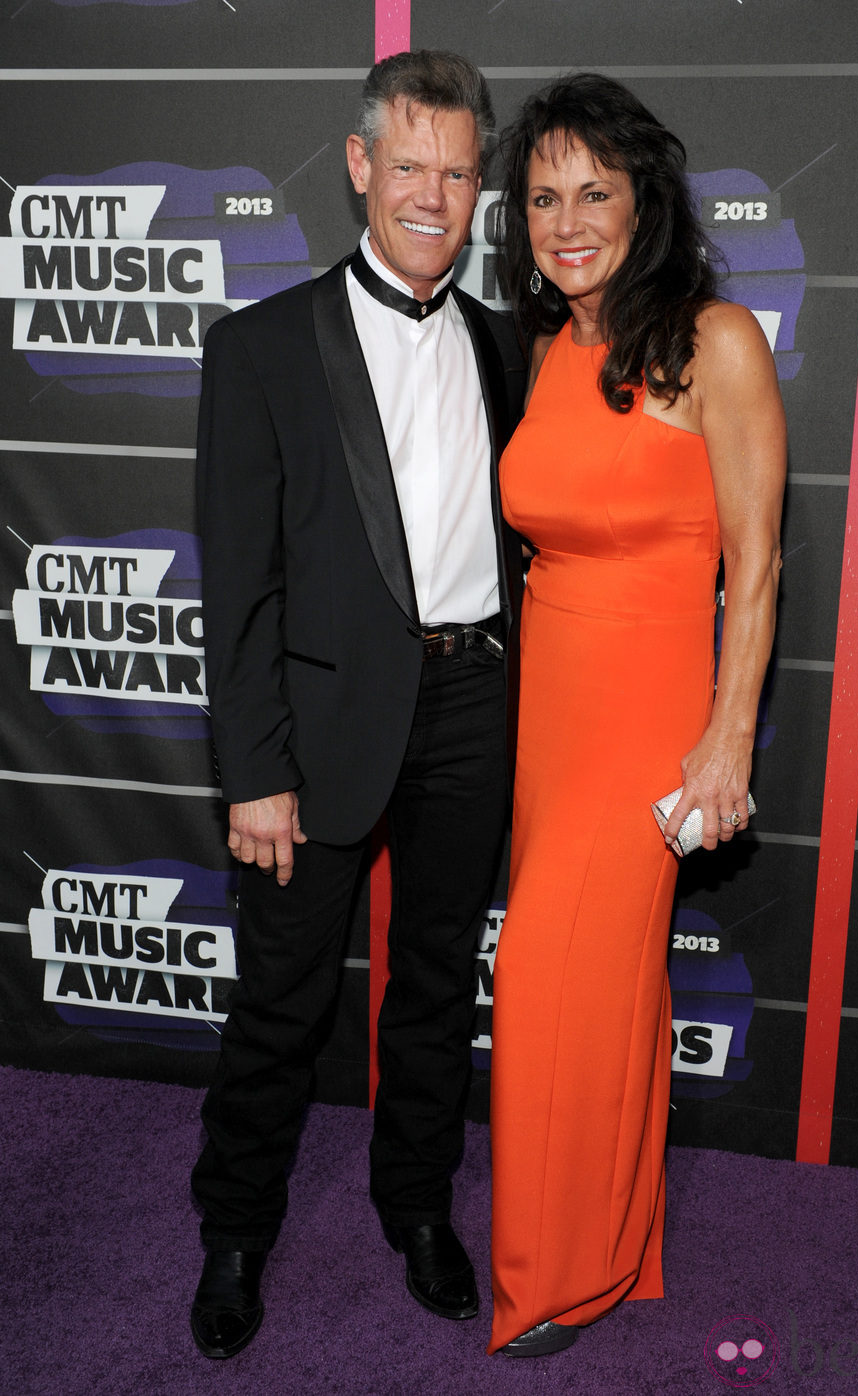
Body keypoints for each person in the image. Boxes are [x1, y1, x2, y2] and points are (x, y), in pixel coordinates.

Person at [189, 50, 525, 1360]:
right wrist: (253, 768)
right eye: (409, 166)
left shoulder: (507, 342)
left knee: (436, 986)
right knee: (283, 1000)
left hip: (474, 709)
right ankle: (234, 1231)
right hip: (316, 735)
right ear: (358, 166)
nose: (433, 194)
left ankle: (417, 1209)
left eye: (456, 170)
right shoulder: (262, 347)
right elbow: (241, 586)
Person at [487, 73, 786, 1357]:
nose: (566, 222)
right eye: (544, 197)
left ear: (643, 199)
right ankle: (607, 1242)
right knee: (602, 993)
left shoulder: (717, 341)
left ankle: (555, 1270)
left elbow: (757, 565)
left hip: (649, 702)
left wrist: (723, 738)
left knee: (558, 985)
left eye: (591, 193)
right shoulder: (545, 348)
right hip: (546, 701)